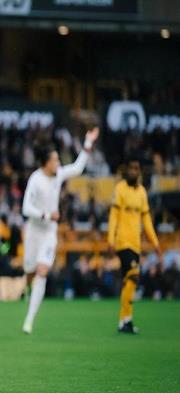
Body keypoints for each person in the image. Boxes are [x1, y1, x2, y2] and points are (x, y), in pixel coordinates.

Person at [21, 127, 99, 334]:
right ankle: (27, 287)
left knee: (42, 271)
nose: (58, 163)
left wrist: (88, 142)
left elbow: (78, 168)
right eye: (55, 160)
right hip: (34, 232)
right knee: (30, 271)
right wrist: (47, 215)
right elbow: (26, 208)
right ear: (45, 163)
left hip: (49, 233)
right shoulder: (35, 179)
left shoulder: (59, 175)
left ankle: (29, 321)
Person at [107, 156, 160, 334]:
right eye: (131, 168)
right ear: (126, 170)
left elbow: (147, 221)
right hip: (123, 242)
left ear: (139, 171)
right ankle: (125, 320)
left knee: (129, 282)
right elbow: (113, 216)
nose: (133, 171)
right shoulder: (120, 189)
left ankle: (125, 321)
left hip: (136, 244)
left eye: (136, 169)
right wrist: (110, 240)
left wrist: (155, 242)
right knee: (134, 276)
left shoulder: (142, 193)